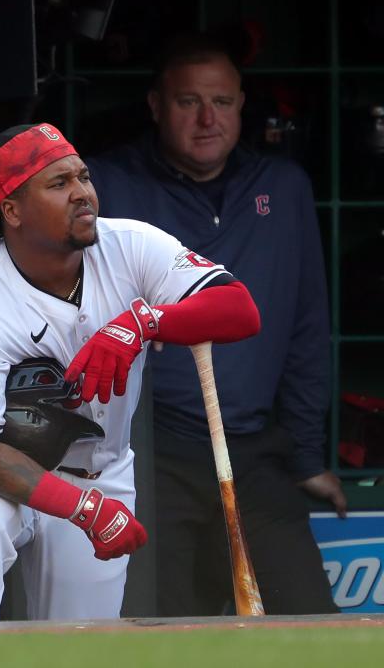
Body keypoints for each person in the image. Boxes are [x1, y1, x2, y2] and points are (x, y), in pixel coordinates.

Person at [0, 122, 260, 622]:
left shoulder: (130, 245)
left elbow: (239, 311)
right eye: (58, 184)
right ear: (10, 211)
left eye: (83, 177)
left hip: (98, 470)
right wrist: (86, 510)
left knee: (78, 647)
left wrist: (144, 321)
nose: (82, 194)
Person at [87, 31, 344, 616]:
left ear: (242, 104)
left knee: (311, 624)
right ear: (156, 106)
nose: (208, 119)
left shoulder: (281, 187)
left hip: (256, 452)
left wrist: (306, 455)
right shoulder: (105, 184)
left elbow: (306, 327)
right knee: (167, 631)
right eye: (188, 102)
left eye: (222, 103)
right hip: (155, 456)